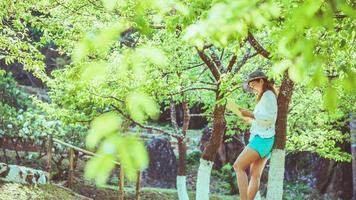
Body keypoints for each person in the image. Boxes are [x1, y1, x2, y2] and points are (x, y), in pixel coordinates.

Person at [233, 70, 278, 200]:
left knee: (238, 166)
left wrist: (251, 114)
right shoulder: (265, 96)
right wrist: (249, 119)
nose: (252, 88)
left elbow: (270, 118)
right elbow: (263, 120)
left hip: (263, 139)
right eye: (251, 87)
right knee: (254, 175)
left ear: (261, 81)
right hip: (265, 138)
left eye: (253, 85)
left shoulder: (268, 95)